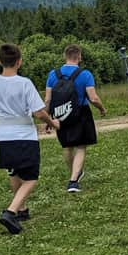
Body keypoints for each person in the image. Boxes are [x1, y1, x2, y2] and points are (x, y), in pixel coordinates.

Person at [0, 44, 61, 234]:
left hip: (3, 136)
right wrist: (52, 123)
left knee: (14, 172)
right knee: (31, 178)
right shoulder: (24, 83)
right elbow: (39, 112)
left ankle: (21, 210)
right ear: (19, 61)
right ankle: (10, 211)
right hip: (24, 135)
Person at [45, 44, 106, 193]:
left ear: (64, 56)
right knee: (80, 146)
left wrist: (48, 120)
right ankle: (73, 181)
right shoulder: (85, 74)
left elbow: (48, 99)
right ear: (79, 56)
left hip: (60, 114)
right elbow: (93, 98)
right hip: (81, 113)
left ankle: (73, 173)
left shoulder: (53, 74)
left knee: (67, 146)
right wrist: (101, 109)